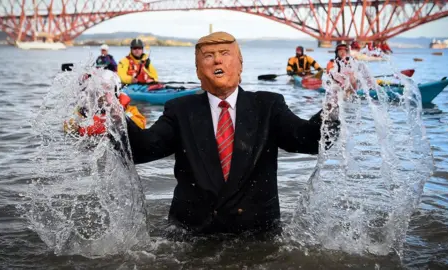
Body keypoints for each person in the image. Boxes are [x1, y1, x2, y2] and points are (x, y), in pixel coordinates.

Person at [124, 31, 340, 235]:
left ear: (240, 65)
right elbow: (144, 148)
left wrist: (334, 102)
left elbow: (310, 140)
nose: (217, 60)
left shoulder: (269, 106)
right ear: (198, 70)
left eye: (225, 54)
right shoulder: (180, 110)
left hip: (256, 237)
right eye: (208, 56)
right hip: (192, 236)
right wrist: (113, 115)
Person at [64, 70, 146, 136]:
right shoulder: (86, 109)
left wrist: (119, 116)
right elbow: (69, 126)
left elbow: (140, 125)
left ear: (115, 91)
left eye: (107, 89)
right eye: (99, 89)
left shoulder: (127, 110)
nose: (102, 93)